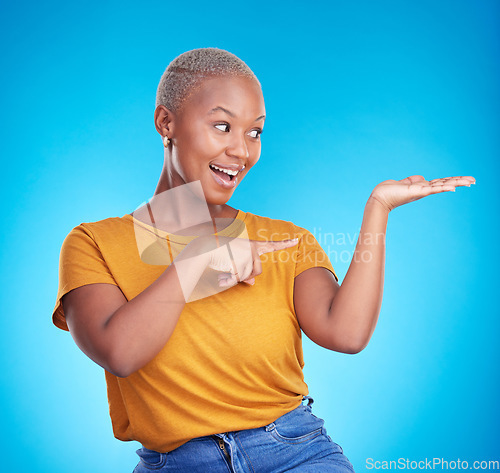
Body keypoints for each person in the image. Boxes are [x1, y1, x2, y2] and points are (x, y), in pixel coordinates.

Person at [52, 47, 475, 473]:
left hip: (296, 451)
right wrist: (195, 265)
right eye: (222, 126)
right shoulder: (94, 242)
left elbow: (345, 334)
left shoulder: (283, 240)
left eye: (254, 133)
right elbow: (120, 352)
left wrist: (378, 208)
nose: (242, 150)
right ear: (166, 123)